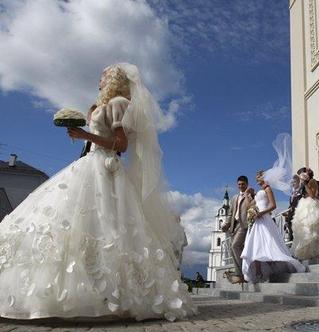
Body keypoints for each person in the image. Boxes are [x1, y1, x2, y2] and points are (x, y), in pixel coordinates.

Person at [0, 63, 195, 320]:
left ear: (114, 79)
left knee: (107, 230)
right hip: (90, 164)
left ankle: (113, 296)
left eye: (104, 75)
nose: (100, 79)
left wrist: (85, 136)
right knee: (79, 226)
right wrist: (84, 131)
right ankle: (86, 292)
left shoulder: (117, 103)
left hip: (105, 168)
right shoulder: (102, 104)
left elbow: (120, 145)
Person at [241, 171, 305, 283]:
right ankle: (258, 271)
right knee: (256, 244)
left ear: (264, 177)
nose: (257, 180)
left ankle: (273, 266)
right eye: (256, 178)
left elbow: (273, 205)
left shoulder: (267, 189)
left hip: (264, 218)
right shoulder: (259, 191)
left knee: (269, 244)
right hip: (257, 220)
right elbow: (252, 205)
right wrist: (247, 196)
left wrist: (261, 213)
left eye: (259, 177)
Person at [291, 177, 319, 260]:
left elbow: (312, 195)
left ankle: (312, 250)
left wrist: (305, 185)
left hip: (311, 207)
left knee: (311, 228)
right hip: (306, 206)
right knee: (304, 228)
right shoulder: (305, 185)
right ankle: (305, 251)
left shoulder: (312, 182)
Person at [221, 175, 249, 284]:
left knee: (235, 245)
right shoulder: (234, 198)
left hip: (244, 225)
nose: (241, 186)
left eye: (243, 184)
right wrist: (226, 224)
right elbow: (231, 213)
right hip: (234, 226)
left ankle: (241, 273)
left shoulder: (250, 194)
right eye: (239, 184)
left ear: (247, 184)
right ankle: (242, 273)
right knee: (233, 250)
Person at [282, 174, 303, 242]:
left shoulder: (301, 193)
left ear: (298, 182)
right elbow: (291, 204)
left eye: (294, 182)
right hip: (291, 212)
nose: (293, 183)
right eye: (292, 182)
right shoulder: (292, 194)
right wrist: (287, 211)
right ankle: (291, 237)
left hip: (298, 213)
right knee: (289, 224)